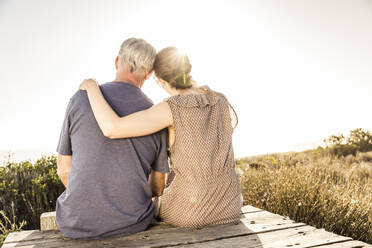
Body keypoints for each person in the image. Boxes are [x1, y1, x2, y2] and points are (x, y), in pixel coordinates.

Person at [80, 46, 243, 228]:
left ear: (161, 81)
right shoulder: (220, 99)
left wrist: (91, 86)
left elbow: (112, 128)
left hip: (191, 211)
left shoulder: (172, 108)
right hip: (231, 206)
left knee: (148, 206)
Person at [56, 38, 169, 239]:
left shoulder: (81, 98)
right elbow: (158, 186)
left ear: (117, 62)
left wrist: (91, 202)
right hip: (132, 223)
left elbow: (64, 169)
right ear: (150, 74)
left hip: (75, 223)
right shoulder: (156, 115)